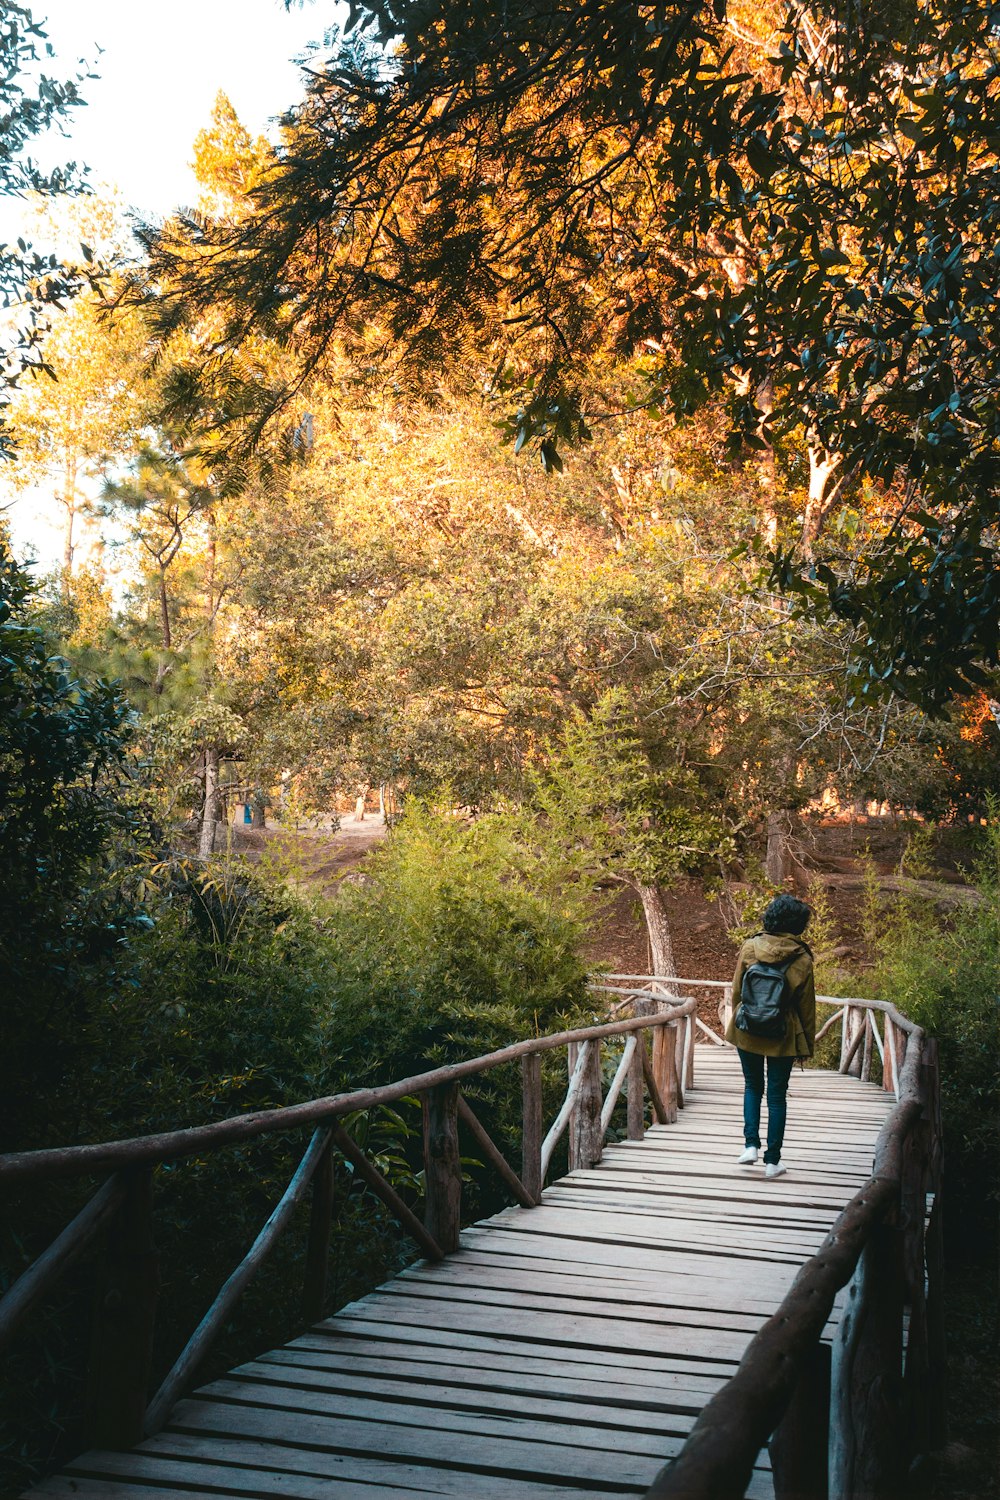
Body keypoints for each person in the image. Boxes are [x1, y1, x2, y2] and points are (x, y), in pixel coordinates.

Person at [725, 893, 816, 1179]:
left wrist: (741, 1016)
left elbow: (738, 990)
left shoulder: (750, 946)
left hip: (748, 1028)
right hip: (783, 1034)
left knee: (752, 1087)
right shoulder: (802, 958)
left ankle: (750, 1145)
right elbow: (806, 1007)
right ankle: (772, 1161)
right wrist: (806, 1045)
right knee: (777, 1097)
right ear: (798, 924)